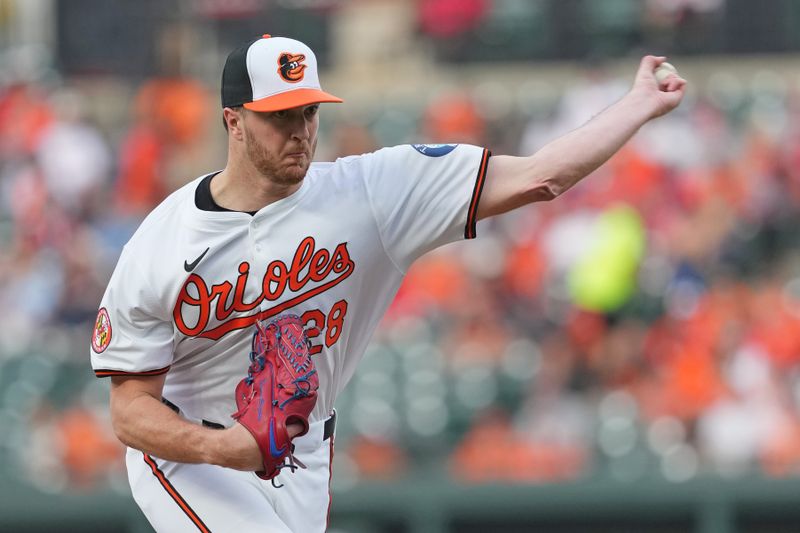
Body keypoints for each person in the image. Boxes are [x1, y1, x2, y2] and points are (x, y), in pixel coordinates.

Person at [90, 34, 686, 532]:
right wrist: (220, 448)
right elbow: (129, 412)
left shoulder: (371, 194)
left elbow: (540, 177)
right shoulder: (163, 240)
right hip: (190, 452)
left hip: (302, 451)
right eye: (279, 117)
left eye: (309, 111)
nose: (299, 130)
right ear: (234, 121)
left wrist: (638, 105)